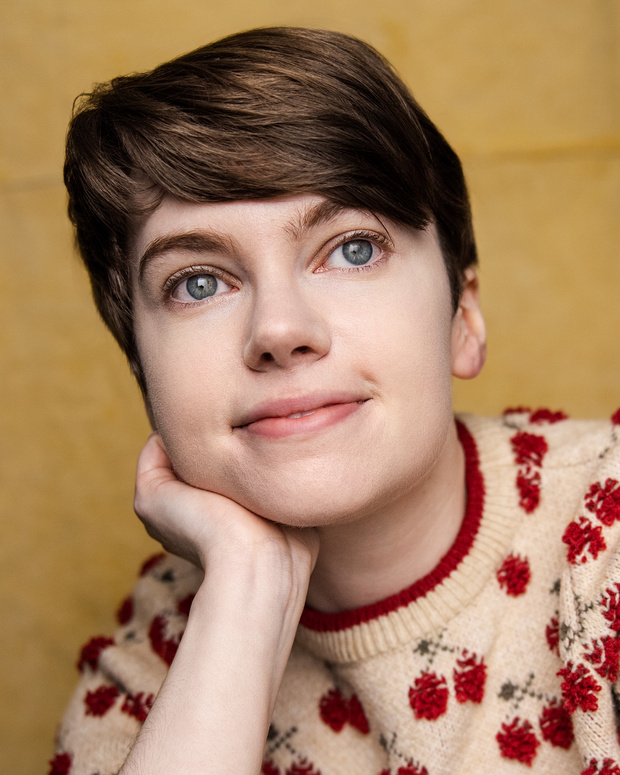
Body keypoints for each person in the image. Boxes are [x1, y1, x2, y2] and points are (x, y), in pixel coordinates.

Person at [51, 27, 620, 775]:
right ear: (141, 367)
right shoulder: (150, 670)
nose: (279, 330)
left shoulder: (607, 536)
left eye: (353, 248)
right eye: (199, 283)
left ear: (463, 317)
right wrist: (248, 589)